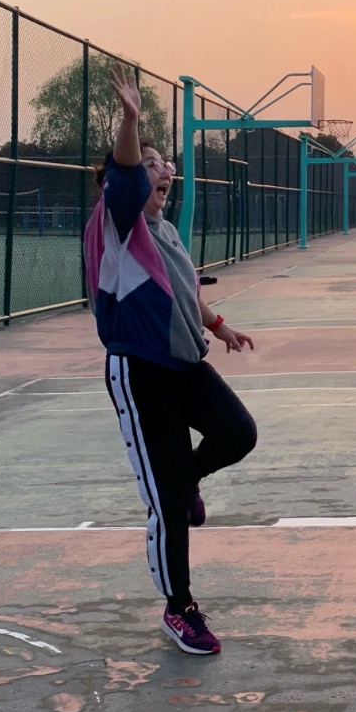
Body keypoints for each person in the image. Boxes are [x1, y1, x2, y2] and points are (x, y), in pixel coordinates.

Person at [84, 65, 258, 657]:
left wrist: (219, 326)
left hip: (184, 364)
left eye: (165, 166)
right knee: (167, 504)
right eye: (153, 164)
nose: (164, 171)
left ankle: (187, 483)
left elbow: (184, 292)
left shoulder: (163, 229)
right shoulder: (119, 222)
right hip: (141, 371)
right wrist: (132, 121)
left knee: (238, 432)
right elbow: (125, 172)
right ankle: (179, 608)